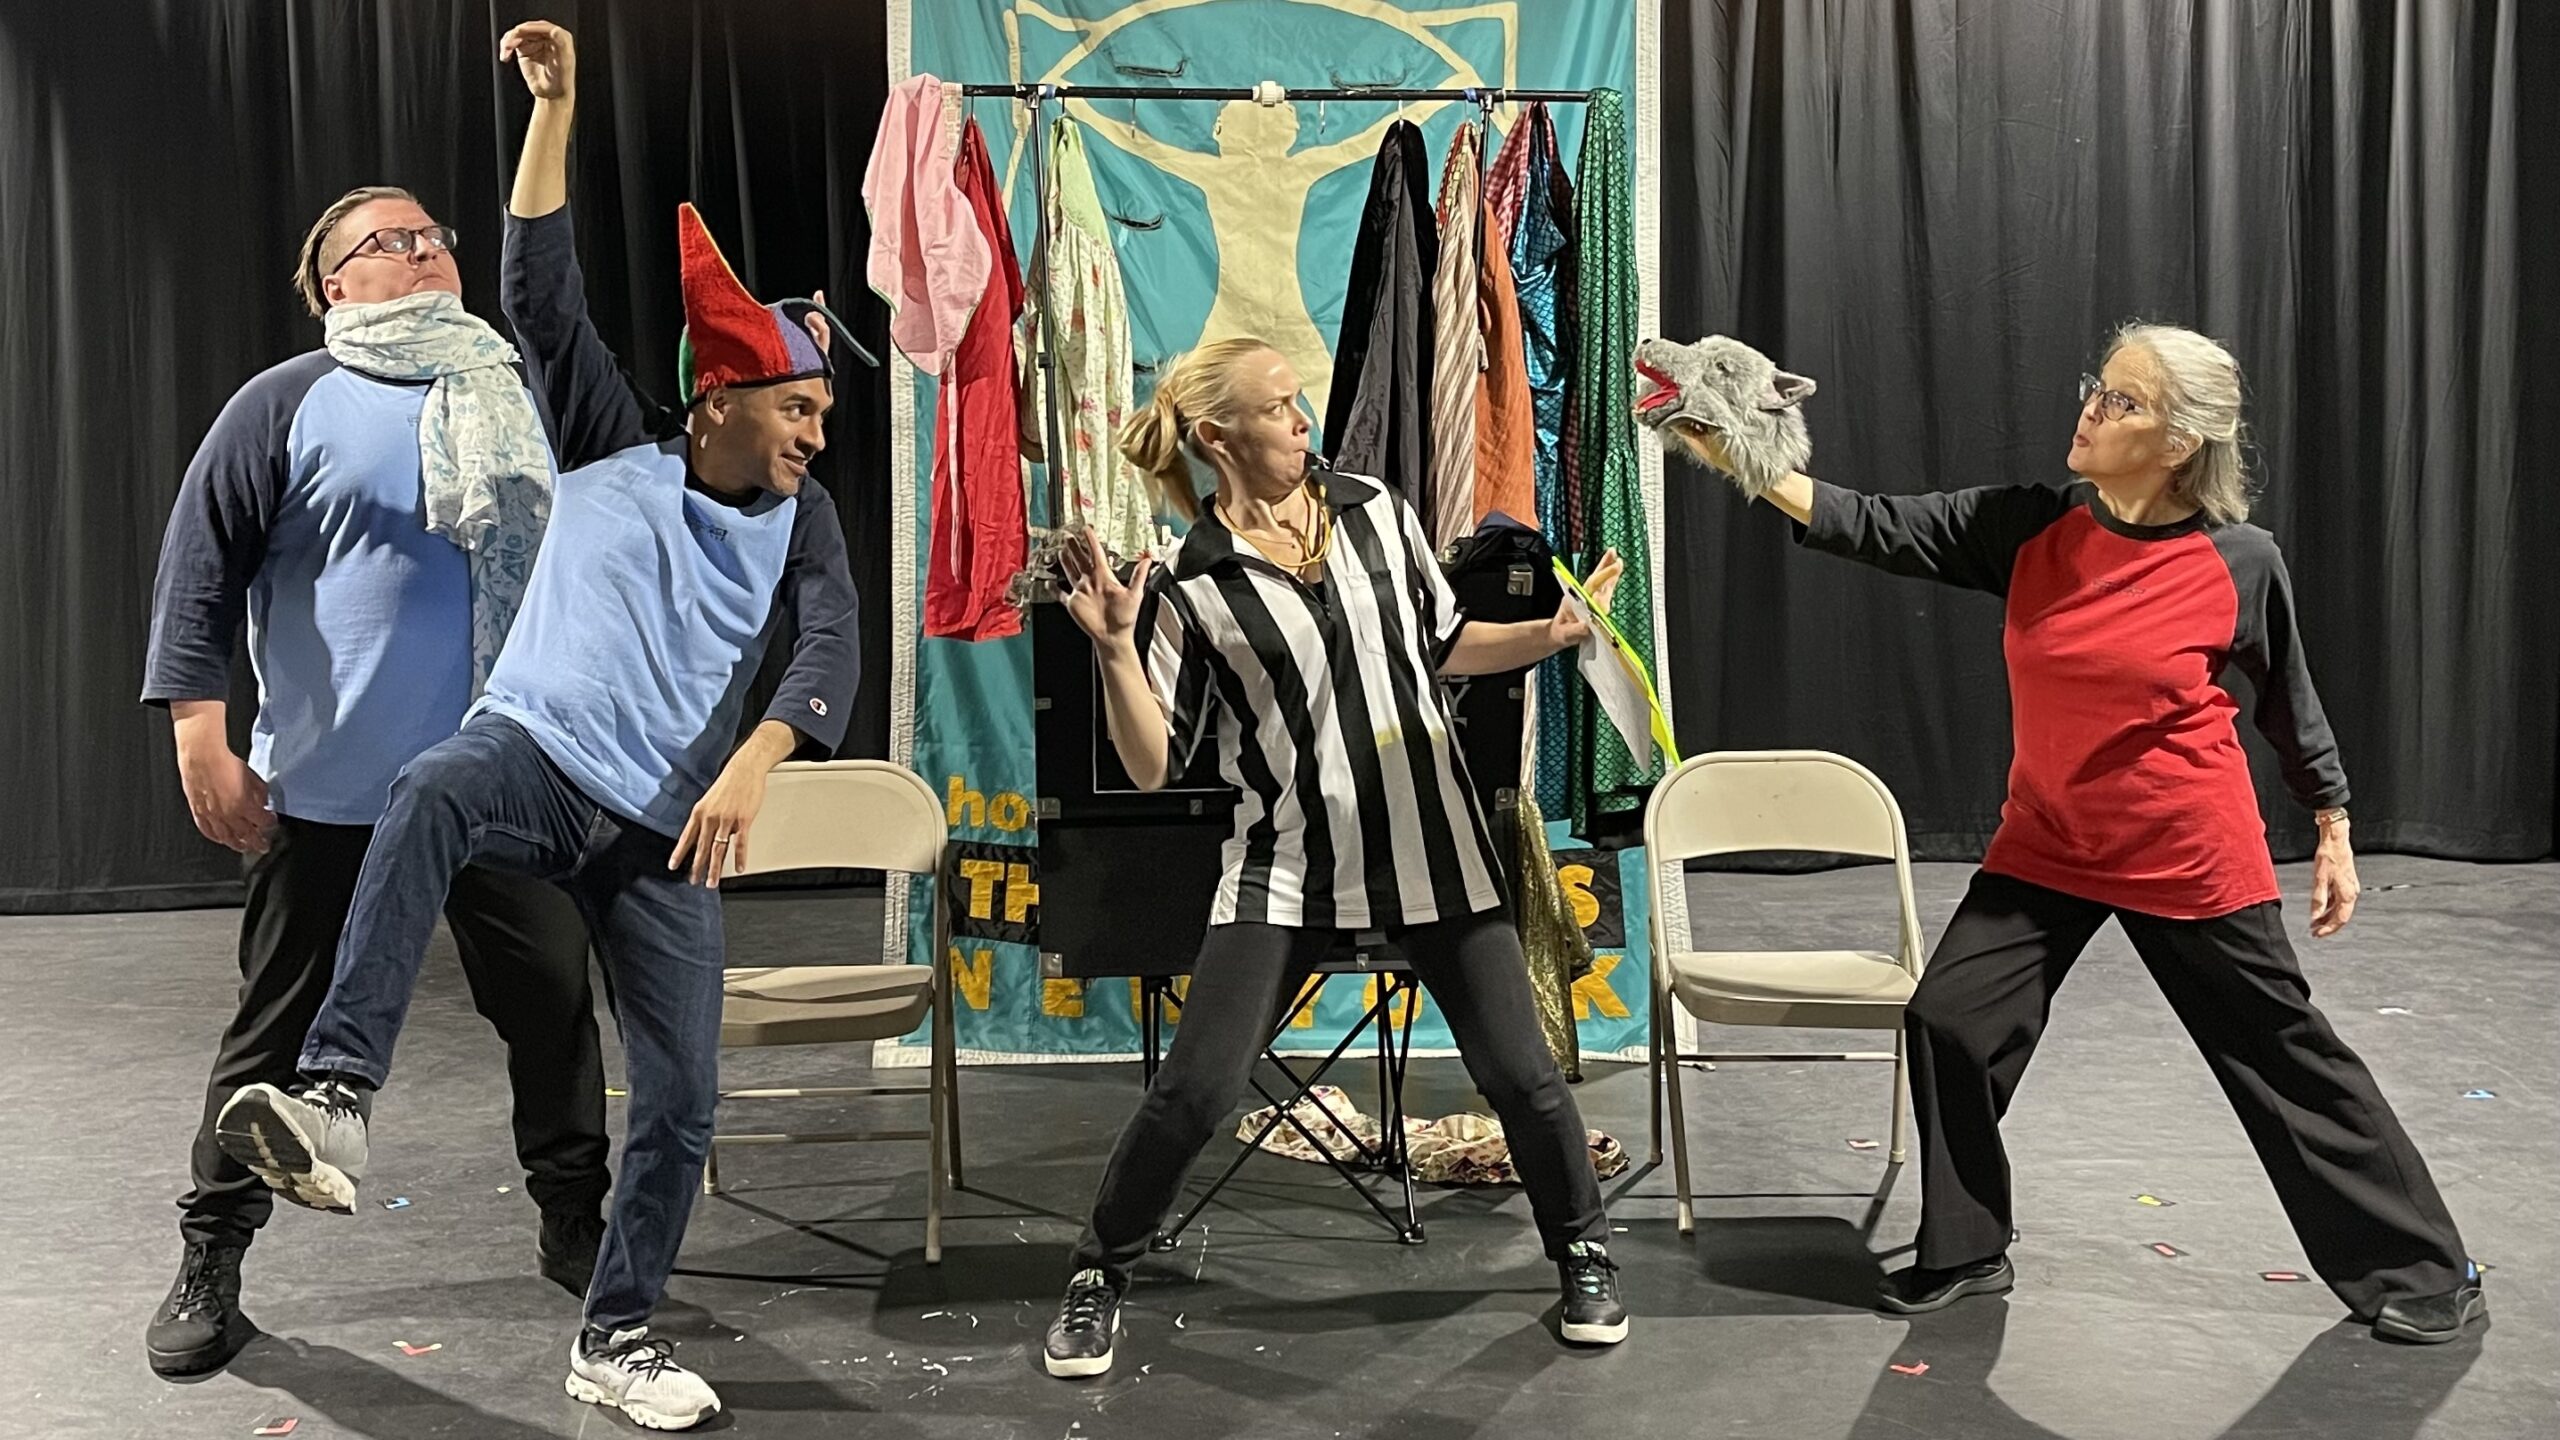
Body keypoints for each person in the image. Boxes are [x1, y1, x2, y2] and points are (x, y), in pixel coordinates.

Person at [202, 21, 862, 1429]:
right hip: (539, 758)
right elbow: (540, 290)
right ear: (720, 397)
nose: (815, 435)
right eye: (797, 407)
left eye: (823, 412)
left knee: (678, 1098)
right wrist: (554, 108)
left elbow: (829, 648)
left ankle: (613, 1334)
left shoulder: (803, 520)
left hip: (663, 823)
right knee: (436, 787)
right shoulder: (613, 442)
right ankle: (335, 1096)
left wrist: (757, 762)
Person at [1651, 322, 2485, 1344]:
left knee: (2282, 1058)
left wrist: (2334, 822)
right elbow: (1867, 522)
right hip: (2048, 843)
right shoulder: (2033, 528)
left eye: (2122, 401)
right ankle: (1968, 1247)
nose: (2090, 409)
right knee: (1951, 1022)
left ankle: (2424, 1268)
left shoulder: (2238, 561)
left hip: (2183, 853)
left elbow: (2286, 699)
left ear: (2178, 441)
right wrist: (1739, 453)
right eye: (2098, 386)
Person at [1039, 337, 1631, 1380]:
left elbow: (1440, 645)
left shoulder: (1376, 511)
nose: (1301, 417)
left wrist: (1550, 633)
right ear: (1218, 434)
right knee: (1195, 1092)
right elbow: (1148, 763)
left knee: (1522, 1076)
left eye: (1296, 399)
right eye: (1278, 406)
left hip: (1435, 851)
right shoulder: (1189, 580)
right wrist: (1117, 650)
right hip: (1284, 870)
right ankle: (1099, 1272)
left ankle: (1581, 1250)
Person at [139, 174, 614, 1376]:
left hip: (499, 781)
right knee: (275, 1035)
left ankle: (577, 1226)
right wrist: (200, 731)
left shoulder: (511, 389)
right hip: (333, 793)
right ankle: (210, 1254)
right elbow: (199, 571)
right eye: (391, 242)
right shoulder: (285, 402)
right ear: (331, 285)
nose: (427, 252)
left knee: (553, 1013)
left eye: (433, 236)